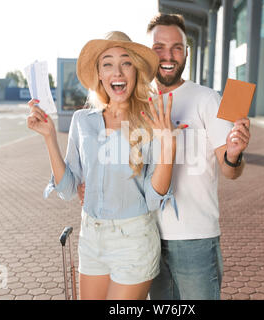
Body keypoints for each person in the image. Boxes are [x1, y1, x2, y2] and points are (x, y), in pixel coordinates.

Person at [26, 31, 186, 300]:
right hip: (91, 237)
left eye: (126, 62)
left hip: (134, 239)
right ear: (99, 74)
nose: (118, 71)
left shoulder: (151, 121)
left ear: (135, 71)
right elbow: (67, 190)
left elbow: (153, 198)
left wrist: (168, 147)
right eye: (108, 64)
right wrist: (49, 138)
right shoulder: (82, 121)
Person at [144, 13, 251, 300]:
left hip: (195, 239)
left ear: (187, 52)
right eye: (159, 48)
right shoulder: (139, 102)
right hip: (147, 236)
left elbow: (231, 170)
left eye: (177, 47)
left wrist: (234, 154)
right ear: (147, 53)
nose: (169, 55)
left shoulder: (207, 99)